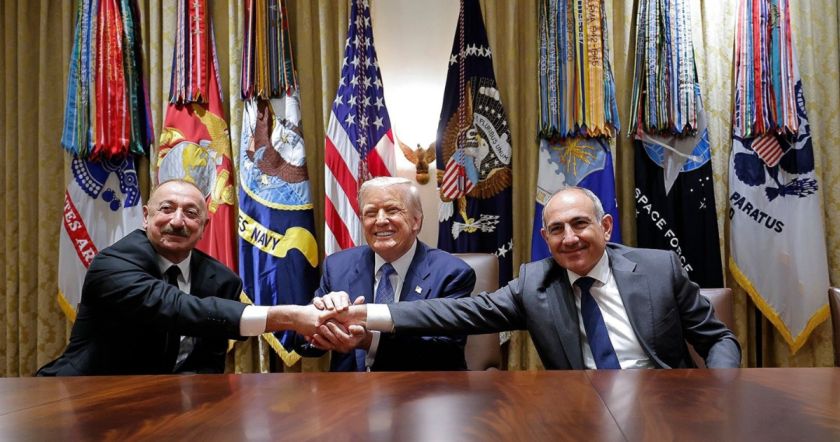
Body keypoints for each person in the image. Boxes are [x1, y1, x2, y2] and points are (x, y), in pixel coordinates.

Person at [319, 187, 741, 369]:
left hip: (666, 403)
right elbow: (454, 313)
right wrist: (365, 315)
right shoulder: (535, 283)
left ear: (606, 226)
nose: (570, 238)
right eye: (557, 230)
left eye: (580, 224)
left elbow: (718, 339)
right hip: (581, 411)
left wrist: (717, 388)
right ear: (545, 238)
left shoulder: (658, 268)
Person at [37, 179, 330, 376]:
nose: (177, 221)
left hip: (162, 407)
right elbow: (177, 308)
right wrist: (290, 317)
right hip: (81, 394)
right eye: (166, 209)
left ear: (204, 226)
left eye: (191, 213)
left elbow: (207, 365)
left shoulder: (222, 280)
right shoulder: (114, 263)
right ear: (145, 216)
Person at [304, 176, 476, 371]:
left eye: (392, 210)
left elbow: (447, 354)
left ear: (416, 221)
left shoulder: (451, 274)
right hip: (350, 388)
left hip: (420, 386)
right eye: (371, 213)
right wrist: (321, 321)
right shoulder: (337, 266)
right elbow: (305, 345)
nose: (380, 221)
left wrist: (369, 341)